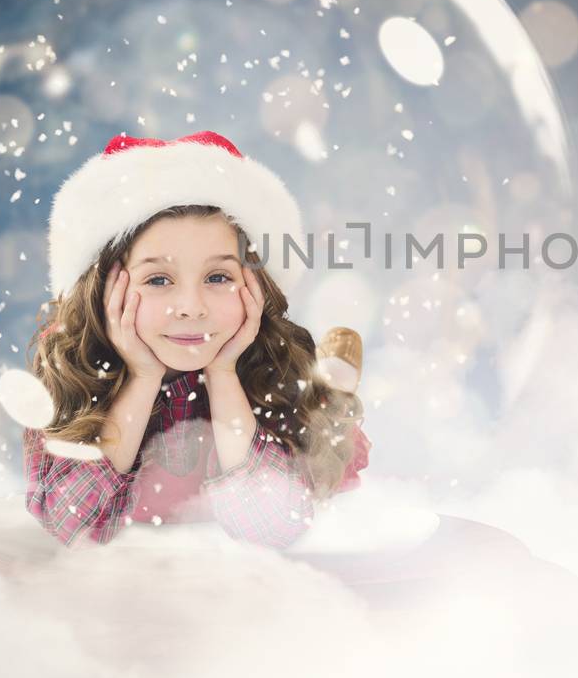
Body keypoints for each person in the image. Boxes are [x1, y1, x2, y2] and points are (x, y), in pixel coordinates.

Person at [21, 129, 371, 549]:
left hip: (245, 595)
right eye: (159, 279)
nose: (191, 306)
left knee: (330, 409)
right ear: (106, 290)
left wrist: (223, 373)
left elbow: (274, 525)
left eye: (218, 277)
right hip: (129, 598)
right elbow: (72, 524)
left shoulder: (272, 371)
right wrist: (142, 377)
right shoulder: (77, 370)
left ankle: (337, 380)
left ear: (255, 286)